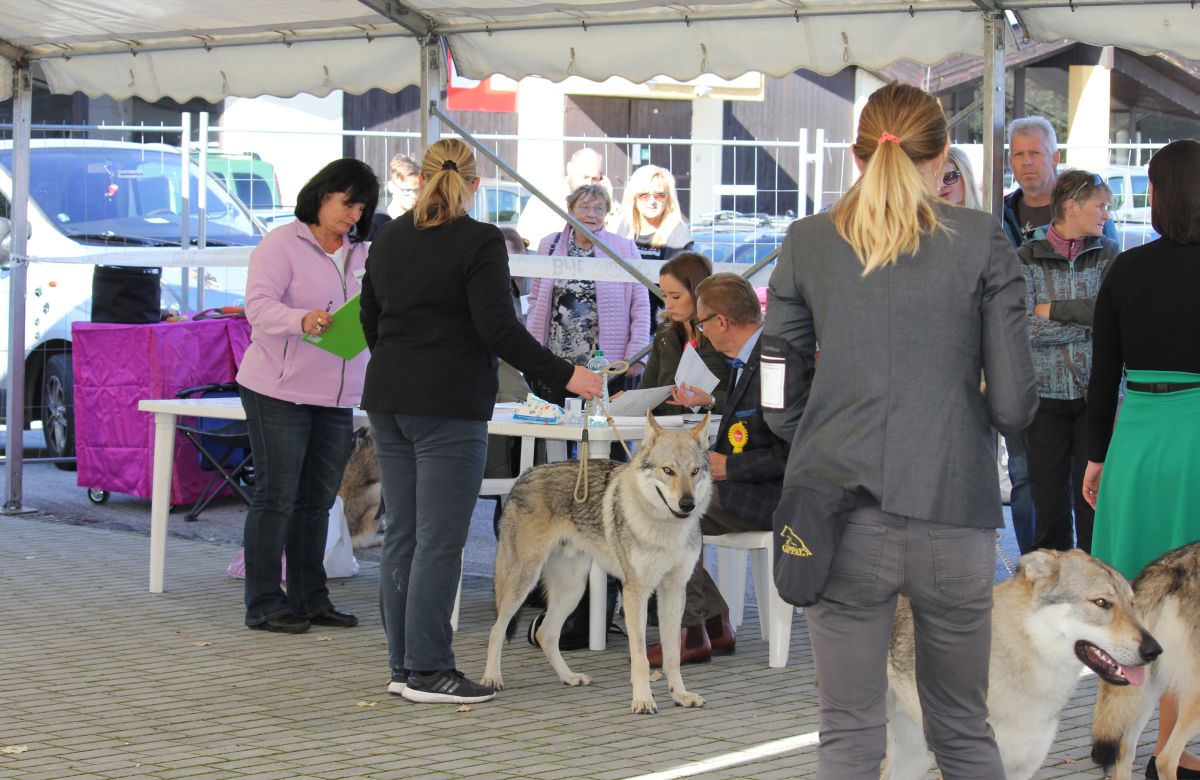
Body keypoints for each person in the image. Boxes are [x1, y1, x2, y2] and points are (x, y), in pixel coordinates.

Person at [764, 82, 1037, 778]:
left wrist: (817, 435)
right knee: (962, 730)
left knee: (849, 732)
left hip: (833, 510)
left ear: (858, 154)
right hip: (952, 507)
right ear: (943, 154)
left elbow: (774, 385)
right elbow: (1013, 405)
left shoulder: (807, 242)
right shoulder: (982, 240)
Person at [360, 139, 603, 705]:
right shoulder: (480, 240)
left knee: (406, 536)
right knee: (438, 543)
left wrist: (401, 361)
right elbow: (500, 329)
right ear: (475, 183)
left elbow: (370, 317)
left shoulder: (391, 235)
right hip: (447, 405)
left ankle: (404, 665)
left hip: (389, 399)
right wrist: (567, 375)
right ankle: (428, 670)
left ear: (421, 179)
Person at [1083, 139, 1200, 780]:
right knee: (1193, 604)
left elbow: (1103, 379)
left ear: (1157, 193)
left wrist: (1097, 459)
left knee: (1137, 598)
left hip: (1138, 440)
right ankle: (1171, 750)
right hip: (1197, 436)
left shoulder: (1125, 271)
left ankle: (1134, 750)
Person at [235, 158, 379, 634]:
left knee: (318, 500)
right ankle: (263, 602)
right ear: (321, 196)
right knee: (276, 496)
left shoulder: (363, 251)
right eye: (347, 203)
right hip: (277, 388)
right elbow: (257, 308)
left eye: (361, 206)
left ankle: (310, 598)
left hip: (337, 394)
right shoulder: (281, 243)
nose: (354, 214)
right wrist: (301, 320)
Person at [645, 273, 787, 667]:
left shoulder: (773, 361)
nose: (701, 333)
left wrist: (731, 467)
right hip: (751, 487)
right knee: (664, 506)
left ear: (721, 322)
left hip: (772, 495)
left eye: (702, 323)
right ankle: (711, 621)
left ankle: (691, 630)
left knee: (669, 513)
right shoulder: (750, 360)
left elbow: (796, 451)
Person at [1018, 169, 1118, 554]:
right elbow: (1023, 327)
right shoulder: (1026, 256)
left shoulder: (1108, 253)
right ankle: (1053, 596)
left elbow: (1110, 316)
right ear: (1072, 206)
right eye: (1101, 205)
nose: (1106, 214)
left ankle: (1096, 591)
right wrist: (1087, 326)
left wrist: (1051, 310)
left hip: (1097, 395)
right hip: (1044, 397)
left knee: (1092, 502)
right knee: (1049, 505)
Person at [526, 183, 650, 402]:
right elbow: (535, 298)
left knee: (601, 427)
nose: (591, 214)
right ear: (570, 210)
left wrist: (636, 353)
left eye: (599, 208)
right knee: (556, 425)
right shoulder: (550, 245)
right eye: (584, 207)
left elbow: (640, 304)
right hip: (558, 363)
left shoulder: (624, 248)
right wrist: (533, 348)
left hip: (605, 364)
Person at [637, 251, 730, 415]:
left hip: (712, 433)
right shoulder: (665, 333)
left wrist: (711, 400)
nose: (668, 304)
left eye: (675, 296)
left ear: (698, 291)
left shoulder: (723, 331)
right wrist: (631, 402)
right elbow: (648, 389)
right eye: (664, 296)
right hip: (667, 433)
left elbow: (746, 397)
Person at [618, 165, 695, 333]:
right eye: (644, 195)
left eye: (659, 195)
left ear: (668, 199)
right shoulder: (625, 229)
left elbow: (681, 287)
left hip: (663, 327)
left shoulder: (678, 234)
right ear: (634, 198)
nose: (652, 201)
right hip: (625, 323)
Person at [516, 147, 607, 246]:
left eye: (595, 178)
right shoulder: (544, 200)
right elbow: (525, 240)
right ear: (570, 169)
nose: (589, 183)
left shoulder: (607, 204)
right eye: (585, 177)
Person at [385, 153, 420, 219]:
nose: (414, 196)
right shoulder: (378, 222)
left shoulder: (423, 222)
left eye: (417, 190)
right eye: (407, 190)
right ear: (391, 187)